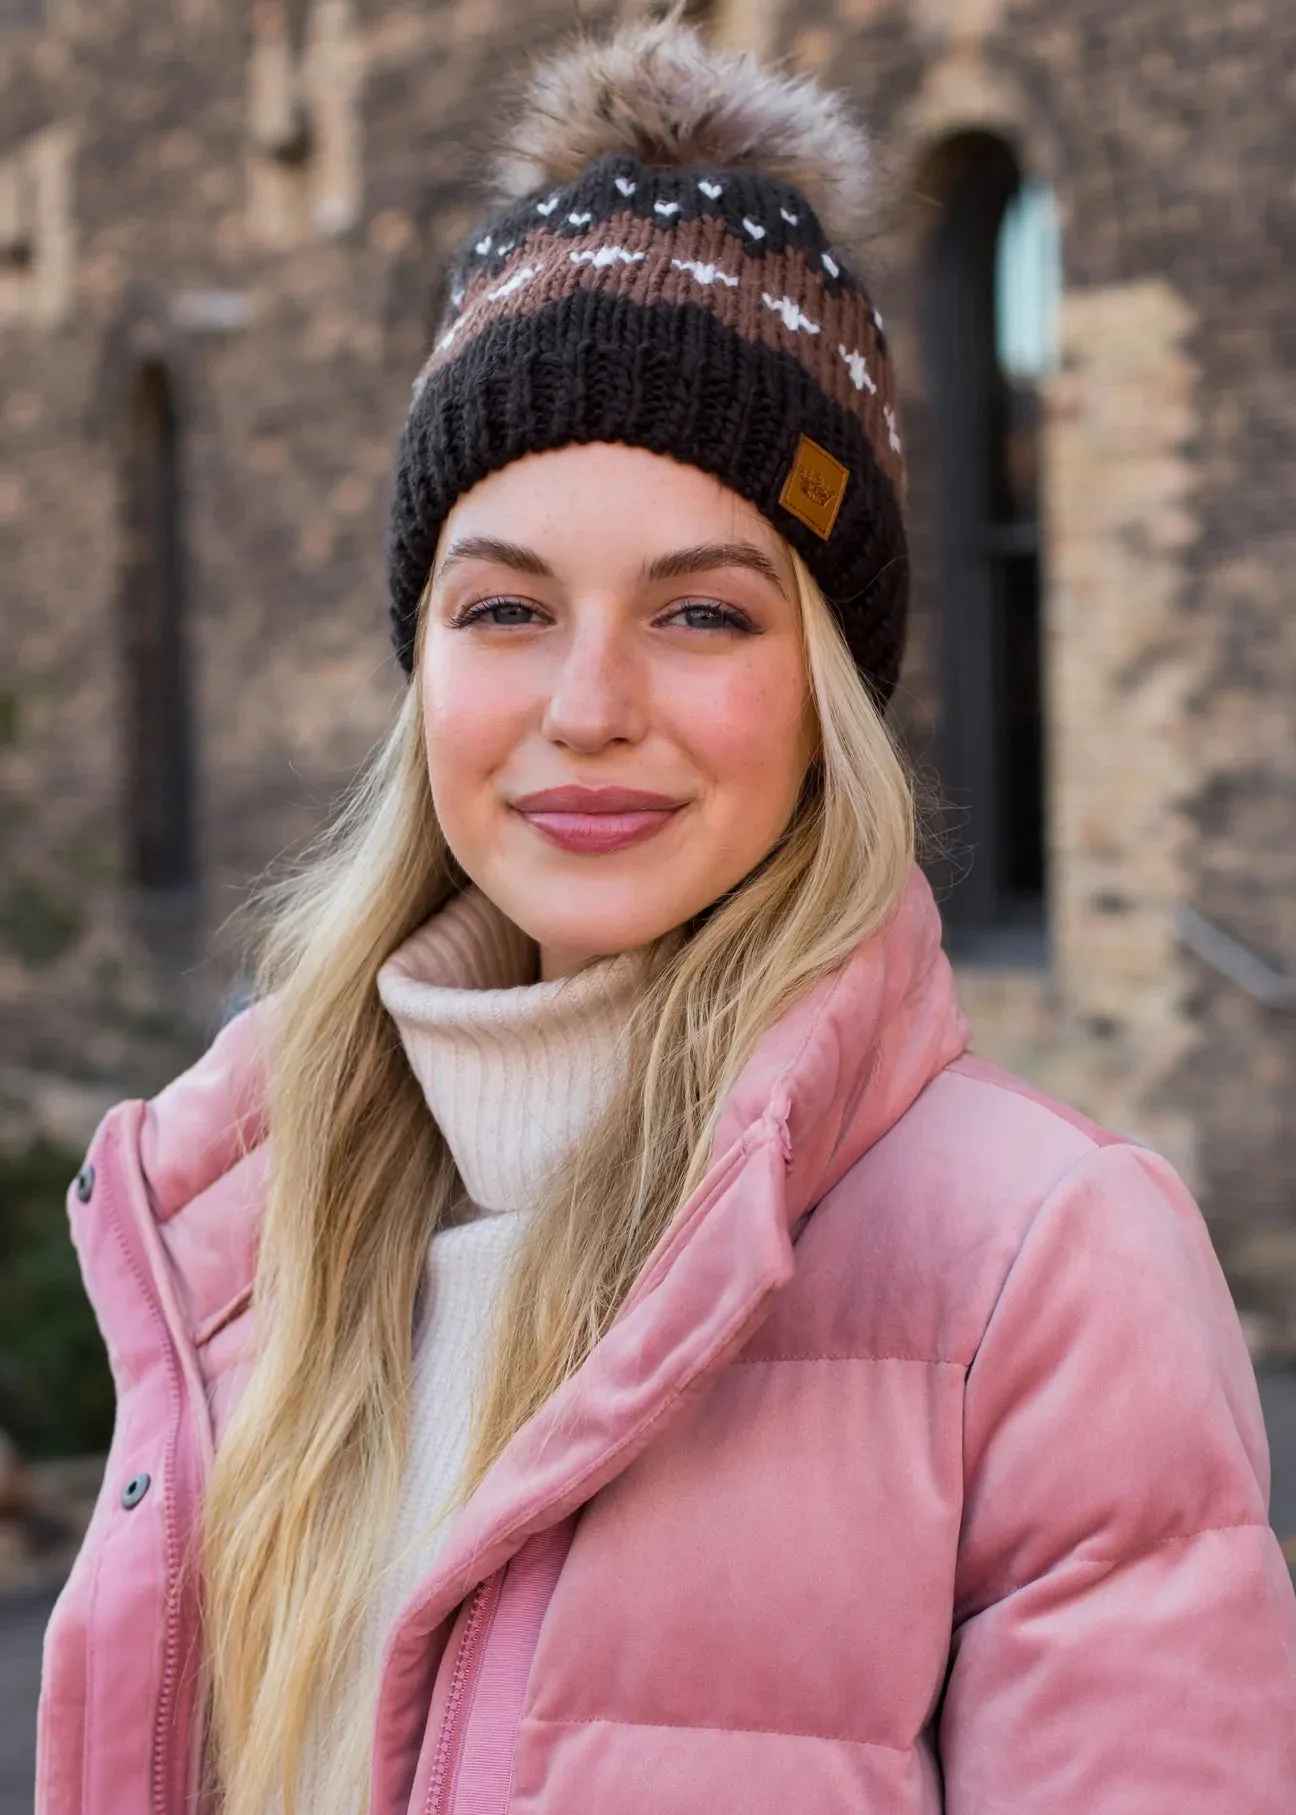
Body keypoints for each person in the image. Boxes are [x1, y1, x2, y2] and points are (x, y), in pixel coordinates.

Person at [37, 16, 1296, 1815]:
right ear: (422, 666)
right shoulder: (246, 1234)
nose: (588, 703)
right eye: (504, 608)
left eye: (703, 612)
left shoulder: (1046, 1272)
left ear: (826, 694)